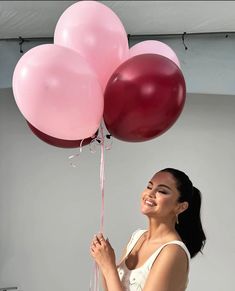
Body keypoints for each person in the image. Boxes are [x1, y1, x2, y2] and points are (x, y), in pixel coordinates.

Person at [90, 168, 206, 291]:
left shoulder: (172, 252)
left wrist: (108, 267)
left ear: (181, 207)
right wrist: (103, 261)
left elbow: (110, 272)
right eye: (149, 187)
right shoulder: (137, 237)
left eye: (162, 191)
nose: (150, 194)